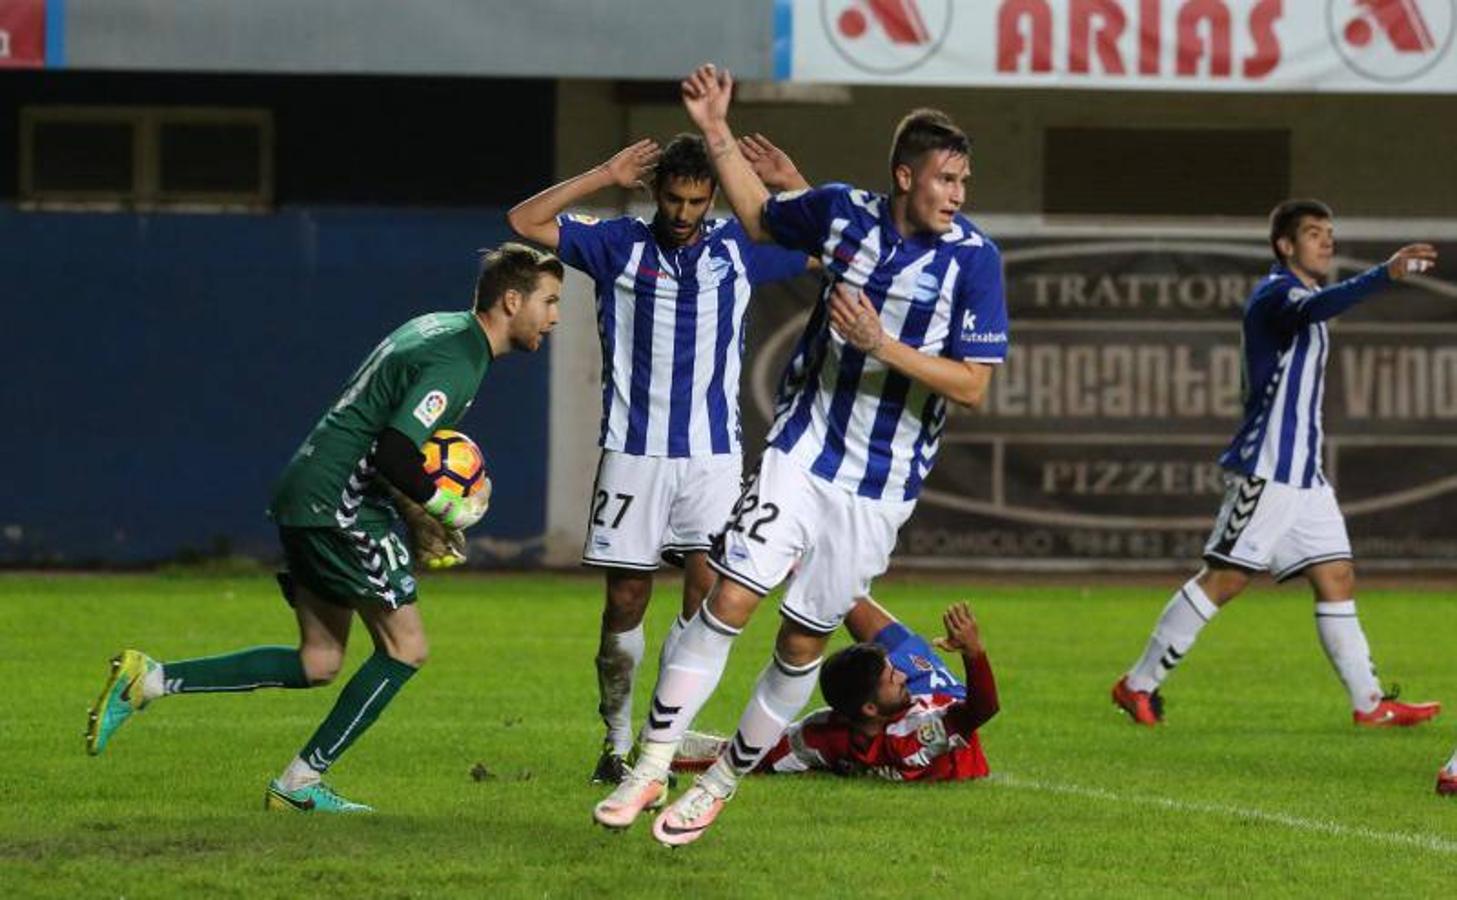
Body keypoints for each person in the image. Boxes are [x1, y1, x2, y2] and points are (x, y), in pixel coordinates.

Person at [593, 63, 1010, 847]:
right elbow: (756, 219)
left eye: (963, 179)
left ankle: (718, 785)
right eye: (944, 178)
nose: (956, 193)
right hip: (801, 447)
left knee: (801, 643)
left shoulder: (974, 263)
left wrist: (881, 345)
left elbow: (973, 386)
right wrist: (716, 130)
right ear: (903, 176)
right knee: (729, 600)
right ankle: (651, 763)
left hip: (880, 488)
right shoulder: (843, 211)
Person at [84, 243, 564, 812]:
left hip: (309, 490)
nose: (555, 317)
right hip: (340, 505)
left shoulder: (439, 328)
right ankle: (298, 784)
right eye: (550, 301)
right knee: (406, 648)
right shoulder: (458, 361)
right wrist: (445, 508)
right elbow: (392, 452)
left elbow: (382, 435)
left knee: (319, 660)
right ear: (512, 301)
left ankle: (148, 680)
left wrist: (409, 506)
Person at [507, 134, 810, 783]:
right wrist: (603, 171)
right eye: (672, 199)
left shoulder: (736, 247)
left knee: (707, 598)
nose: (682, 212)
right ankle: (613, 742)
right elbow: (523, 222)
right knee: (625, 600)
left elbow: (827, 243)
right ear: (654, 193)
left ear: (712, 198)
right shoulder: (616, 243)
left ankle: (656, 742)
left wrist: (790, 184)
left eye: (696, 201)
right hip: (634, 449)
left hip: (712, 455)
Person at [1110, 200, 1440, 728]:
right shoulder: (1277, 294)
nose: (1326, 241)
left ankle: (1369, 703)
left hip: (1305, 476)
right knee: (1225, 579)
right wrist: (1385, 273)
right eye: (1314, 233)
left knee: (1336, 575)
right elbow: (1314, 310)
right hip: (1268, 469)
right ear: (1286, 246)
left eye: (1331, 232)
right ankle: (1137, 684)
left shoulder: (1306, 296)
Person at [674, 599, 998, 782]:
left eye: (893, 669)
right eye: (892, 674)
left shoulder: (826, 733)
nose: (902, 673)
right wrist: (974, 653)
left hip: (933, 708)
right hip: (944, 698)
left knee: (850, 601)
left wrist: (667, 753)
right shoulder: (910, 734)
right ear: (868, 709)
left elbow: (758, 753)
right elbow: (979, 710)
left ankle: (830, 579)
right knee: (897, 651)